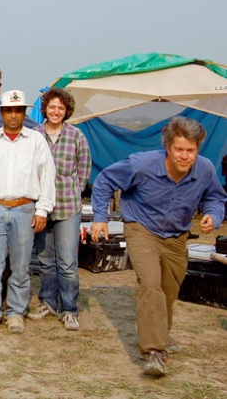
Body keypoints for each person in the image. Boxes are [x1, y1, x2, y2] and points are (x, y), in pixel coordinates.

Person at [91, 116, 226, 377]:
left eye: (190, 150)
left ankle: (161, 333)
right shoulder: (142, 165)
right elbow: (105, 180)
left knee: (168, 288)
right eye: (179, 149)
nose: (184, 156)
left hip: (177, 235)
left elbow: (215, 197)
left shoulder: (205, 169)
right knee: (150, 282)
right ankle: (153, 351)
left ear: (197, 149)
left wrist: (213, 214)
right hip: (141, 228)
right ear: (168, 147)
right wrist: (100, 218)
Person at [0, 90, 55, 334]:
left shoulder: (36, 140)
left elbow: (47, 176)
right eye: (8, 110)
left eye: (18, 110)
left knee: (20, 266)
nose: (13, 115)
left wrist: (42, 210)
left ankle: (16, 312)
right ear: (2, 112)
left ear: (24, 112)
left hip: (24, 209)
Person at [28, 88, 92, 331]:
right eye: (52, 107)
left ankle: (69, 308)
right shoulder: (34, 135)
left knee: (67, 262)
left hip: (67, 207)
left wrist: (74, 191)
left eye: (61, 108)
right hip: (41, 209)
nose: (56, 112)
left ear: (67, 111)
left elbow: (84, 170)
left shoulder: (76, 136)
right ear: (45, 108)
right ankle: (48, 302)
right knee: (45, 260)